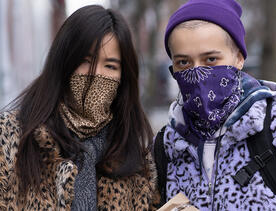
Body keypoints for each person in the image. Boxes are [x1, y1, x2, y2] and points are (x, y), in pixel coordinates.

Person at [155, 0, 276, 210]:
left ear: (239, 58)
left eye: (211, 59)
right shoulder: (166, 146)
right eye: (184, 63)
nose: (198, 72)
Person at [0, 5, 159, 210]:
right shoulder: (11, 138)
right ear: (65, 61)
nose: (95, 74)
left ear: (124, 77)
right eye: (86, 61)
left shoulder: (135, 159)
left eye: (110, 66)